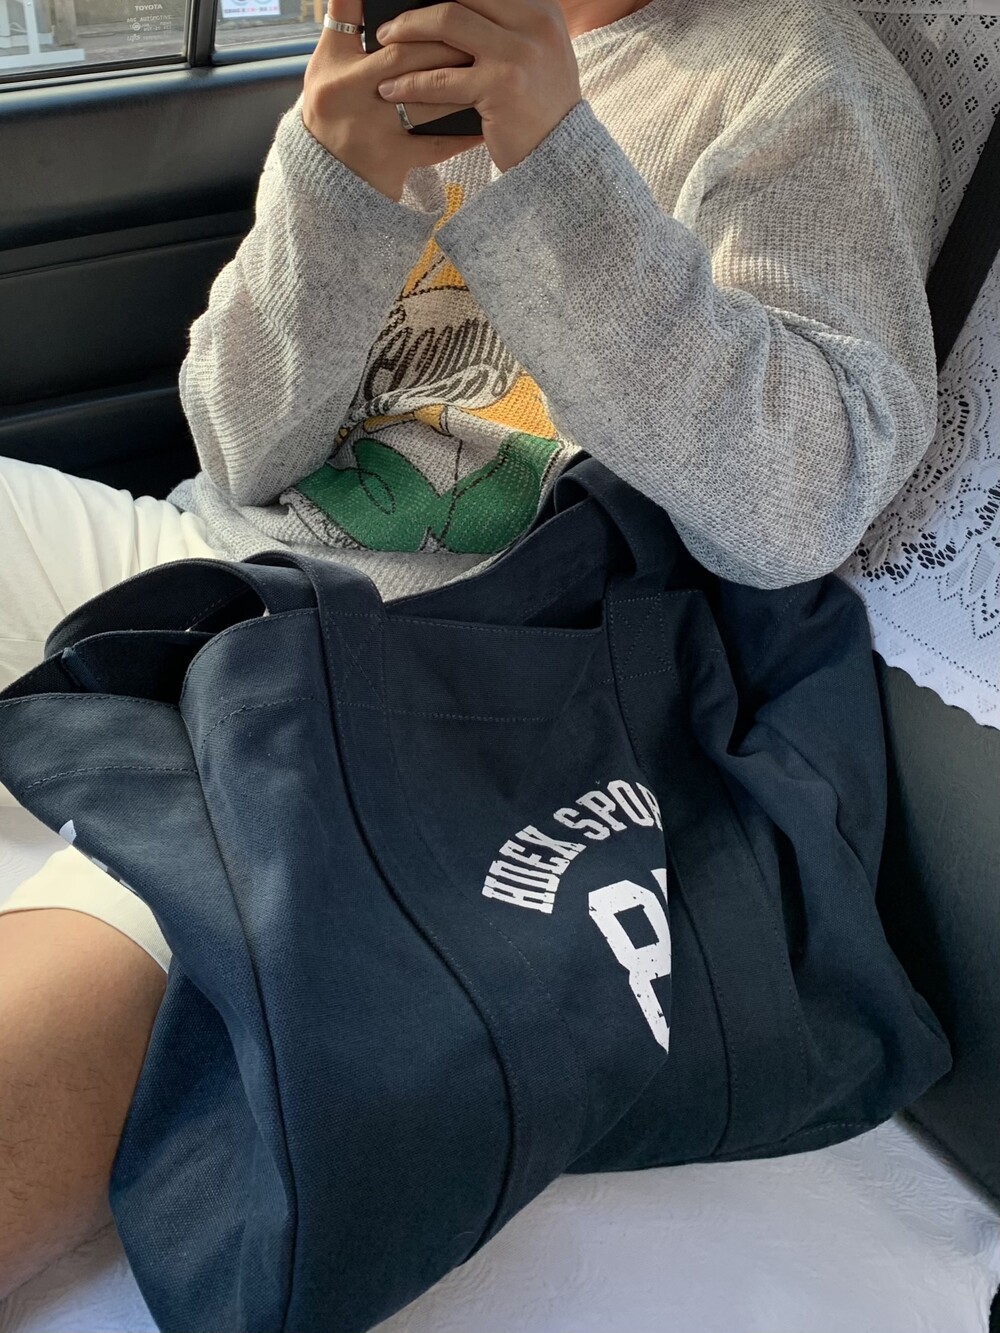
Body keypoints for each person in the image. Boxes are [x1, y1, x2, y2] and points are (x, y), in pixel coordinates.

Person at [0, 0, 940, 1302]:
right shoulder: (405, 56)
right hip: (204, 568)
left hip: (423, 689)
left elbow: (797, 504)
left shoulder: (796, 80)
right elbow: (238, 447)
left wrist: (551, 163)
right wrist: (334, 179)